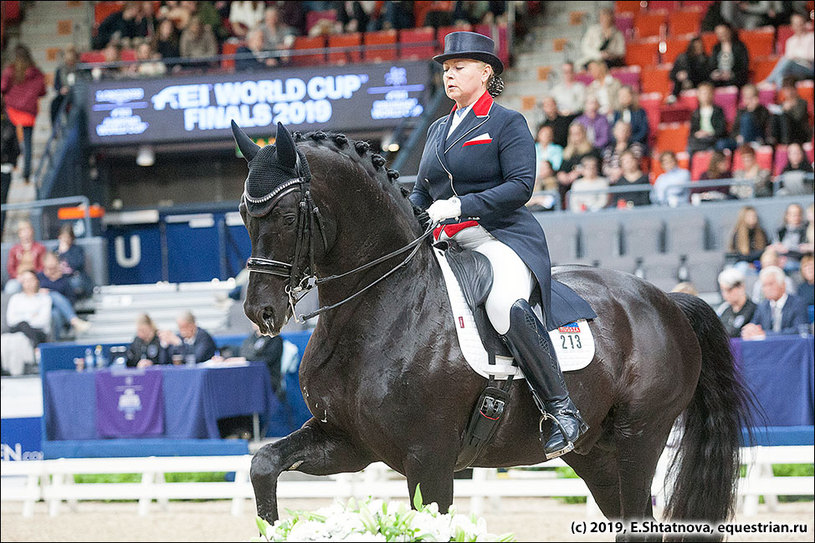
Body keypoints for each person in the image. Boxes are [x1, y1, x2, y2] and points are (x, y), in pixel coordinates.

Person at [409, 31, 590, 458]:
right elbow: (421, 190)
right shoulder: (437, 128)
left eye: (459, 68)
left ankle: (562, 410)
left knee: (504, 304)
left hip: (500, 236)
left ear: (486, 72)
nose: (449, 76)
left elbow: (520, 186)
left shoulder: (507, 122)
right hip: (445, 239)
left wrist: (459, 206)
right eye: (446, 70)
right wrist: (413, 216)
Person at [0, 44, 46, 184]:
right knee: (27, 143)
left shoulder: (10, 71)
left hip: (12, 111)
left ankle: (11, 166)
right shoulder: (36, 73)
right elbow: (43, 91)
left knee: (10, 141)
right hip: (28, 114)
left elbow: (2, 87)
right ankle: (26, 173)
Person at [2, 271, 51, 375]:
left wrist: (23, 318)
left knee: (23, 328)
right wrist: (31, 316)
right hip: (18, 329)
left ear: (36, 281)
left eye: (31, 280)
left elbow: (43, 321)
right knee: (21, 327)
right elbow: (11, 320)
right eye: (25, 281)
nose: (28, 283)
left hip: (39, 332)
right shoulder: (15, 299)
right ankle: (36, 349)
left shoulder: (44, 299)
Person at [742, 266, 809, 338]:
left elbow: (799, 330)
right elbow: (754, 324)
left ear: (783, 285)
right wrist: (750, 330)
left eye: (771, 284)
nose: (767, 289)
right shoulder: (762, 306)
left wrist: (766, 334)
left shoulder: (798, 303)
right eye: (764, 285)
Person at [36, 252, 91, 339]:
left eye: (53, 259)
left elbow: (72, 298)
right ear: (44, 262)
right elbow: (31, 294)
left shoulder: (64, 279)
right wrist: (40, 292)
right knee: (52, 295)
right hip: (42, 307)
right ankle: (74, 321)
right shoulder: (39, 277)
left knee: (55, 313)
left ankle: (55, 341)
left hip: (61, 310)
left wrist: (62, 302)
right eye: (48, 260)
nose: (51, 262)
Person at [761, 12, 814, 88]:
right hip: (792, 68)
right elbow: (788, 57)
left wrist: (796, 57)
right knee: (781, 74)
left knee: (786, 62)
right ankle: (781, 95)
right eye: (796, 24)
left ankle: (768, 81)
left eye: (800, 23)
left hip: (808, 68)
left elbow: (811, 56)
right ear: (792, 26)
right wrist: (794, 58)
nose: (798, 26)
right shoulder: (790, 41)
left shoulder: (811, 37)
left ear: (805, 24)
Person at [557, 122, 599, 211]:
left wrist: (576, 173)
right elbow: (561, 169)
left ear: (583, 134)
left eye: (577, 133)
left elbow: (592, 167)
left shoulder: (591, 151)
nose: (575, 136)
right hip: (568, 185)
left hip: (585, 183)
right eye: (572, 134)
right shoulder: (567, 153)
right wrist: (562, 176)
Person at [687, 82, 731, 157]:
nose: (705, 96)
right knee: (690, 147)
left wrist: (708, 133)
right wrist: (698, 134)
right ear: (698, 95)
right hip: (701, 140)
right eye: (703, 93)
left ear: (712, 95)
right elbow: (692, 131)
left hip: (715, 138)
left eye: (707, 93)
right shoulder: (695, 113)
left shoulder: (718, 110)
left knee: (720, 145)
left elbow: (722, 129)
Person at [4, 219, 47, 295]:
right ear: (19, 233)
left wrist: (32, 276)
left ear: (32, 231)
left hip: (35, 277)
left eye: (28, 230)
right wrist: (18, 276)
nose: (26, 233)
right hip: (19, 278)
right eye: (23, 231)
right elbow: (10, 268)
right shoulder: (14, 249)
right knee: (10, 289)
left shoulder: (40, 248)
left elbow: (42, 266)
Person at [716, 267, 757, 338]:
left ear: (741, 287)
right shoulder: (724, 310)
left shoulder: (754, 309)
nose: (725, 294)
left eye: (729, 290)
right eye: (723, 290)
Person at [667, 37, 710, 104]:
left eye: (700, 46)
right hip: (681, 86)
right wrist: (679, 75)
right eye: (695, 47)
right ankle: (674, 96)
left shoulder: (705, 59)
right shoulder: (683, 58)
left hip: (698, 84)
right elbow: (671, 75)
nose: (698, 48)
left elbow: (705, 75)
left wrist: (688, 76)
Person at [728, 205, 770, 272]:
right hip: (743, 264)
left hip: (759, 263)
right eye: (749, 216)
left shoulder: (761, 232)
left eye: (754, 216)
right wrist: (764, 250)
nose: (752, 218)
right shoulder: (738, 234)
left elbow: (767, 249)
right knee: (742, 267)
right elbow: (742, 256)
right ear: (743, 218)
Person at [55, 224, 92, 300]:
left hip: (74, 277)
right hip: (61, 279)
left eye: (67, 237)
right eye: (63, 237)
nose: (65, 240)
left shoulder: (77, 250)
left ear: (72, 238)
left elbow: (77, 265)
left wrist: (65, 252)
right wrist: (59, 253)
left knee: (74, 283)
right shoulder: (55, 251)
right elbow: (53, 267)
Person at [708, 22, 749, 88]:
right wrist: (716, 73)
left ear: (730, 31)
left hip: (735, 77)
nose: (721, 35)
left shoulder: (739, 46)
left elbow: (743, 65)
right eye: (719, 33)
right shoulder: (716, 47)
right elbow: (712, 64)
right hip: (719, 77)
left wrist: (731, 74)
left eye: (724, 32)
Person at [774, 76, 812, 145]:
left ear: (794, 90)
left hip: (799, 132)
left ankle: (786, 142)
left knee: (784, 116)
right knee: (774, 116)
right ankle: (773, 140)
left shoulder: (802, 103)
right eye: (785, 90)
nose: (788, 92)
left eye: (789, 89)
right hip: (785, 132)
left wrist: (788, 110)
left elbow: (798, 118)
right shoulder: (782, 104)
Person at [771, 203, 808, 273]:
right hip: (780, 260)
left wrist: (786, 250)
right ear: (787, 215)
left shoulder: (806, 230)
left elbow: (803, 250)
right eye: (792, 214)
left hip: (799, 262)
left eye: (798, 214)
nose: (795, 216)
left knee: (789, 265)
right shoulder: (780, 230)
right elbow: (775, 246)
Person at [1, 99, 19, 236]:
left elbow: (16, 149)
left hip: (5, 169)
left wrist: (11, 162)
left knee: (2, 204)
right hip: (6, 168)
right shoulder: (8, 124)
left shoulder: (8, 125)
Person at [50, 45, 79, 126]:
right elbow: (56, 86)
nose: (70, 63)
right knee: (54, 104)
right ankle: (55, 128)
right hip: (65, 95)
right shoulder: (60, 70)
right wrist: (61, 89)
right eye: (68, 60)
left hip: (78, 94)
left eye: (71, 60)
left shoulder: (81, 68)